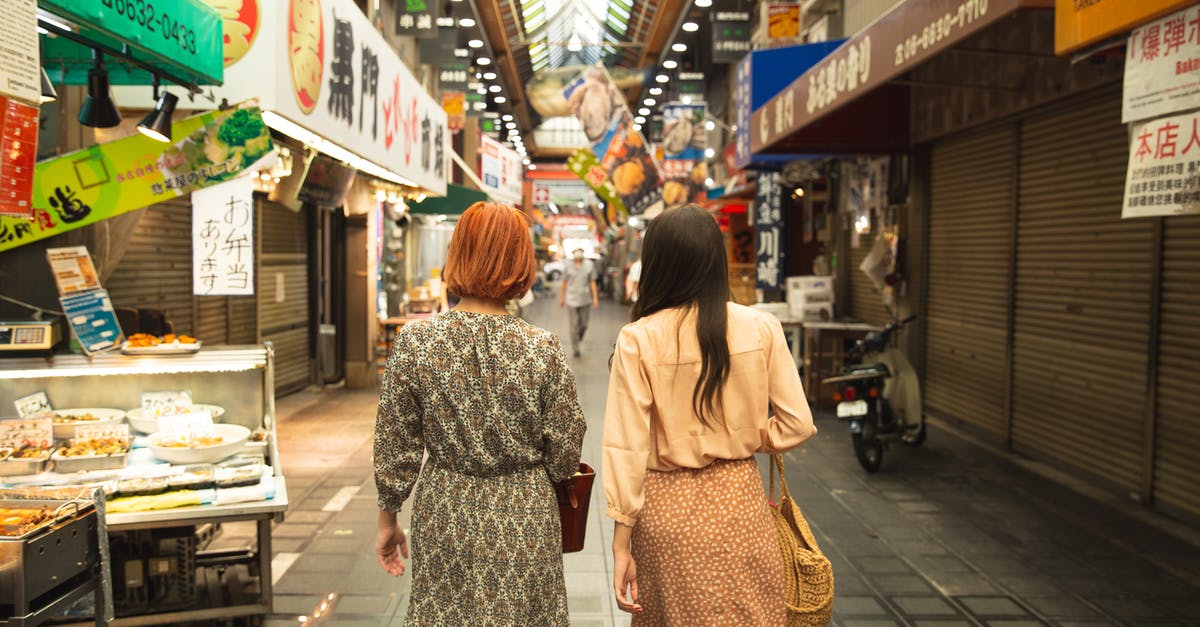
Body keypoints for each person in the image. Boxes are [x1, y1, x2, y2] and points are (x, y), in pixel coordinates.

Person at [602, 204, 817, 624]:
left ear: (657, 265)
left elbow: (626, 448)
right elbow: (798, 423)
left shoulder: (638, 340)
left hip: (667, 514)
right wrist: (749, 435)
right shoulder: (761, 327)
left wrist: (620, 543)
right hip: (741, 505)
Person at [374, 202, 587, 625]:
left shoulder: (416, 342)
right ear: (521, 264)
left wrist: (388, 521)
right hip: (525, 514)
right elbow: (565, 452)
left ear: (458, 255)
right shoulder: (541, 348)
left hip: (445, 510)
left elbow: (394, 444)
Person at [559, 248, 599, 357]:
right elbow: (564, 282)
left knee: (584, 324)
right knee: (573, 325)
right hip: (571, 299)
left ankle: (578, 337)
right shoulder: (568, 266)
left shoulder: (589, 265)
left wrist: (595, 298)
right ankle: (575, 347)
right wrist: (562, 298)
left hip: (585, 299)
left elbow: (592, 282)